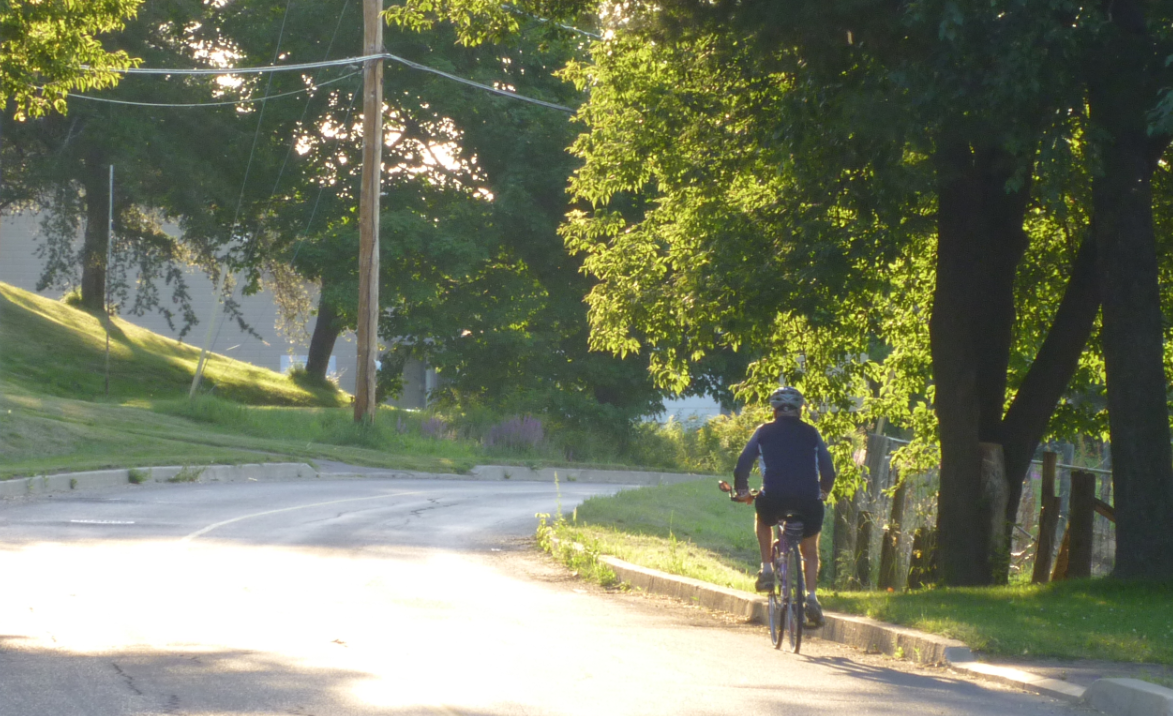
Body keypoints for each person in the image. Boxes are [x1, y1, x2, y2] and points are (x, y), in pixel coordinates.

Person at [733, 386, 835, 628]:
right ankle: (811, 598)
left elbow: (743, 465)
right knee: (809, 549)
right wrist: (823, 492)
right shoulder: (812, 433)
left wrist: (743, 492)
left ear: (774, 409)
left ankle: (766, 568)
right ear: (800, 410)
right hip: (808, 500)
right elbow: (828, 471)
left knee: (763, 519)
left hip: (774, 497)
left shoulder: (763, 432)